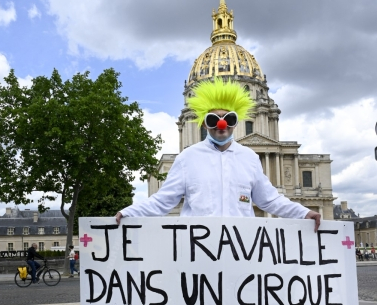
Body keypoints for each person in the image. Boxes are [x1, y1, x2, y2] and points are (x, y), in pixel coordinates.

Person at [115, 78, 321, 230]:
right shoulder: (187, 158)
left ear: (236, 121)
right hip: (197, 248)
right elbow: (163, 201)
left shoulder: (249, 158)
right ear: (204, 123)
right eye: (214, 119)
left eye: (228, 118)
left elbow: (270, 200)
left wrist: (304, 213)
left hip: (241, 246)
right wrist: (127, 212)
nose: (221, 125)